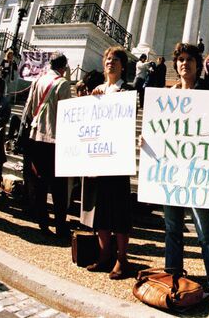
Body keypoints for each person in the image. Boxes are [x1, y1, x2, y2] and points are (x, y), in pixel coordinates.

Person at [163, 43, 209, 304]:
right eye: (180, 59)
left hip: (199, 173)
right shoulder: (168, 96)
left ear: (198, 63)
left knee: (205, 231)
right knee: (172, 229)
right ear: (176, 64)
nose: (184, 63)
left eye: (189, 59)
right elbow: (161, 131)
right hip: (171, 172)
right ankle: (173, 278)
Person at [84, 46, 134, 279]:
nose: (110, 63)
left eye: (115, 60)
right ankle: (105, 256)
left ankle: (121, 260)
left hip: (119, 158)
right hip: (99, 157)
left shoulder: (128, 90)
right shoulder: (98, 90)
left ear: (123, 65)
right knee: (101, 210)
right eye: (107, 59)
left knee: (120, 212)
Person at [22, 52, 71, 236]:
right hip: (53, 139)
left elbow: (28, 108)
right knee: (59, 185)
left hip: (35, 137)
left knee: (40, 182)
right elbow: (66, 114)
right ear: (63, 67)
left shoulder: (38, 80)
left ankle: (42, 221)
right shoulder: (62, 83)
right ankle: (60, 224)